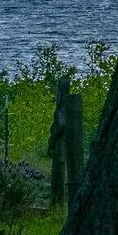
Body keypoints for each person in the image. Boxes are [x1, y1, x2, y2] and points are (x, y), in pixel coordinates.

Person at [47, 75, 87, 208]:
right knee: (61, 163)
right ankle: (57, 202)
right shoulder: (61, 112)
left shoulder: (64, 111)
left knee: (68, 167)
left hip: (64, 140)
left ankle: (59, 202)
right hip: (60, 140)